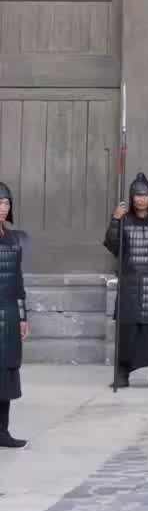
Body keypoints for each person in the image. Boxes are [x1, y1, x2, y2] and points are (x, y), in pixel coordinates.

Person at [104, 172, 148, 389]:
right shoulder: (124, 221)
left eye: (145, 195)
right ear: (132, 197)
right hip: (130, 283)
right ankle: (123, 373)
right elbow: (113, 246)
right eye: (137, 195)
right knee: (127, 331)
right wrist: (115, 220)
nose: (141, 200)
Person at [0, 184, 28, 448]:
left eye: (6, 203)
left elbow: (18, 282)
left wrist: (22, 317)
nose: (3, 208)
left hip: (8, 315)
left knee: (7, 373)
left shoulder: (15, 240)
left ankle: (2, 432)